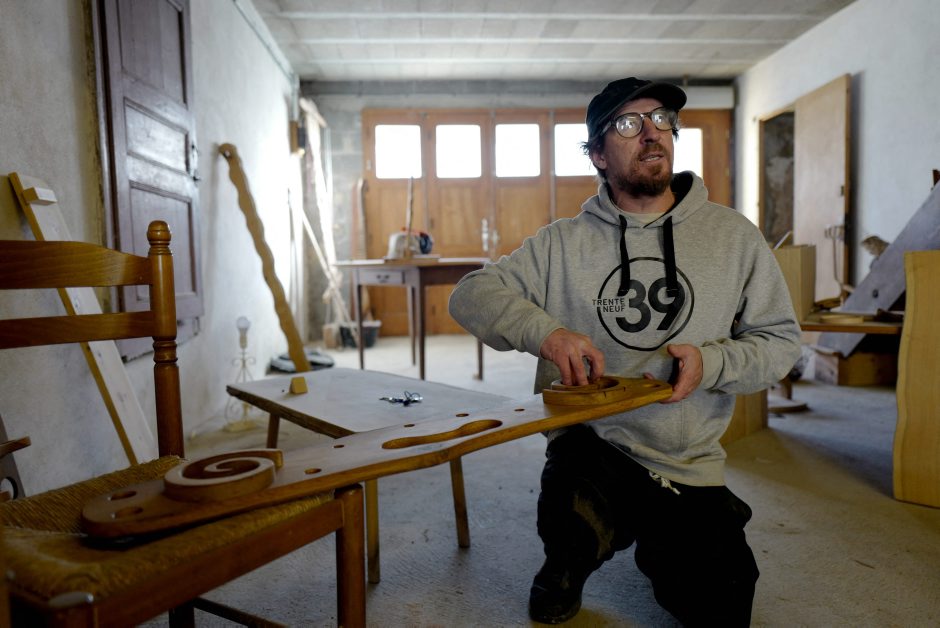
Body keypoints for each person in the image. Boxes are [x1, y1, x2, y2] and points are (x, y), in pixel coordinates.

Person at [448, 77, 802, 625]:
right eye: (628, 124)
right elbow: (470, 294)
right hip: (595, 444)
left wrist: (712, 363)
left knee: (724, 604)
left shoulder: (733, 236)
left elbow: (780, 341)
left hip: (685, 458)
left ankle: (684, 525)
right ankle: (568, 556)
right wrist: (547, 333)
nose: (651, 133)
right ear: (597, 154)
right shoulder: (562, 242)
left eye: (661, 120)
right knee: (572, 514)